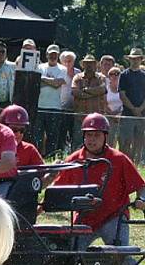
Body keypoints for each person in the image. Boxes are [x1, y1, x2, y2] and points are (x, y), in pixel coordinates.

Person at [52, 113, 145, 251]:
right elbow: (55, 192)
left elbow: (141, 186)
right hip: (84, 219)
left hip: (114, 216)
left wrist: (141, 198)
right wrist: (38, 209)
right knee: (69, 256)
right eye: (89, 135)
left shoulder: (119, 159)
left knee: (120, 259)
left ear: (105, 137)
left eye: (97, 135)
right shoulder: (73, 161)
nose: (92, 140)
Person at [33, 44, 68, 157]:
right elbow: (37, 84)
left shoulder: (62, 68)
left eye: (55, 54)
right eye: (50, 54)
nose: (52, 56)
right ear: (46, 54)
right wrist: (52, 82)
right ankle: (37, 158)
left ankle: (50, 158)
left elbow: (58, 84)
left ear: (58, 55)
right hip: (39, 106)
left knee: (52, 137)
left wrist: (42, 79)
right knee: (37, 136)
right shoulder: (39, 67)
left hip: (55, 108)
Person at [71, 54, 107, 151]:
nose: (89, 66)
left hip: (97, 119)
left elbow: (102, 89)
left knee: (97, 143)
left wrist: (86, 90)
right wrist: (93, 93)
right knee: (78, 142)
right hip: (80, 117)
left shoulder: (101, 78)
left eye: (91, 63)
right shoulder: (77, 78)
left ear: (95, 65)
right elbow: (75, 92)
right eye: (87, 63)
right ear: (83, 65)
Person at [118, 48, 145, 164]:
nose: (134, 61)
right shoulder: (124, 75)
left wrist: (141, 109)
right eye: (132, 59)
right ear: (129, 60)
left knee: (139, 142)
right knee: (125, 142)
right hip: (127, 114)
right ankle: (124, 164)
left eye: (137, 58)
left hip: (142, 114)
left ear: (141, 59)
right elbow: (122, 95)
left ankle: (136, 166)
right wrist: (134, 109)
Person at [59, 51, 80, 152]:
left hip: (75, 109)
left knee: (75, 133)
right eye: (65, 61)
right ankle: (61, 153)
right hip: (61, 108)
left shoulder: (78, 73)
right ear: (62, 61)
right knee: (61, 133)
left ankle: (74, 153)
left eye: (70, 61)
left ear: (74, 61)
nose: (68, 63)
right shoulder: (59, 71)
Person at [106, 66, 124, 148]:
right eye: (112, 74)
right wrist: (112, 114)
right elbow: (103, 103)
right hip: (108, 118)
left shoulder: (124, 88)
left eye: (117, 73)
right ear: (109, 76)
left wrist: (119, 114)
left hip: (122, 118)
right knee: (110, 142)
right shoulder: (106, 89)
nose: (115, 76)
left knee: (122, 142)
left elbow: (125, 102)